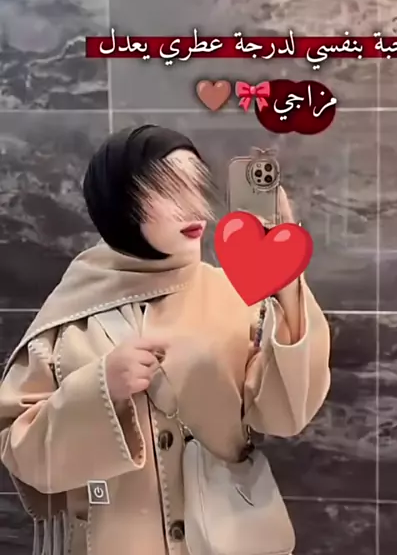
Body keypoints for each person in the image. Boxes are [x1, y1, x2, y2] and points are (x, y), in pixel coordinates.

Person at [0, 125, 331, 555]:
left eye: (196, 186)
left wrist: (287, 289)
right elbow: (21, 451)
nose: (193, 206)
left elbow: (286, 415)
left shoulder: (236, 297)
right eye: (168, 190)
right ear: (120, 202)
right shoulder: (70, 315)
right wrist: (101, 387)